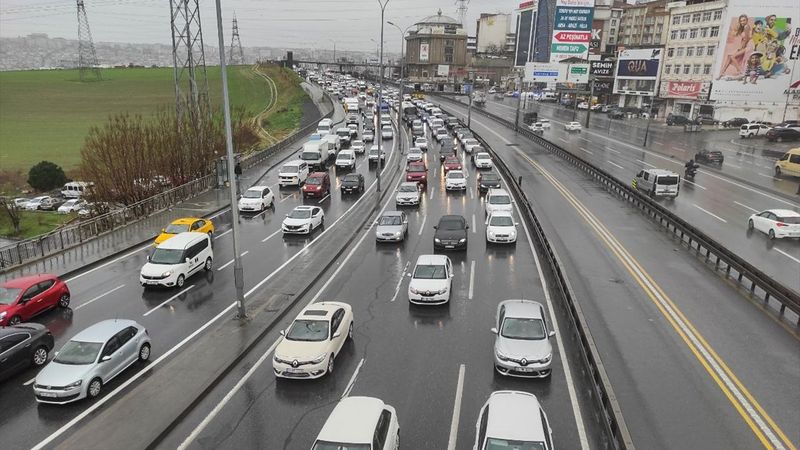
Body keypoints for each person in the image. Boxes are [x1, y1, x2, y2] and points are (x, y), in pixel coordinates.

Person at [718, 14, 752, 79]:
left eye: (744, 20)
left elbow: (747, 39)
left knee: (732, 56)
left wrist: (742, 47)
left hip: (749, 45)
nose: (742, 22)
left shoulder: (746, 26)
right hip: (745, 45)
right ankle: (722, 72)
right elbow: (743, 39)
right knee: (729, 56)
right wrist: (741, 47)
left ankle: (740, 71)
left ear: (747, 20)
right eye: (741, 21)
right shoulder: (743, 27)